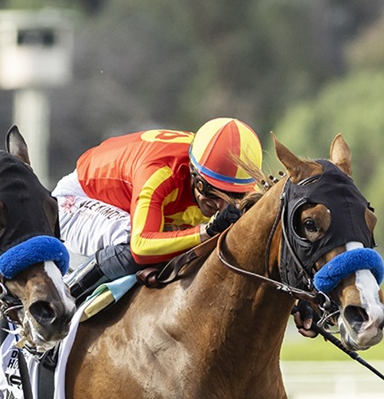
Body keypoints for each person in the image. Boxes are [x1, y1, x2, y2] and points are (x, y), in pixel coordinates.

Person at [53, 118, 263, 298]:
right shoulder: (161, 172)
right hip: (78, 198)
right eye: (211, 191)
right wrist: (206, 231)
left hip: (129, 201)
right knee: (129, 242)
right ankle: (60, 300)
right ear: (193, 172)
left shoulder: (218, 171)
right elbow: (141, 247)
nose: (221, 205)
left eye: (234, 195)